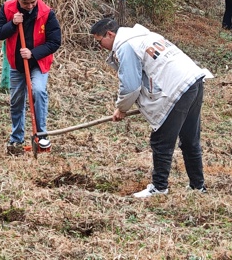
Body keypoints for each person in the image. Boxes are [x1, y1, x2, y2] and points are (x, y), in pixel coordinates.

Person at [90, 18, 212, 199]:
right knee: (189, 139)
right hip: (193, 80)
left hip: (175, 88)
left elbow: (131, 86)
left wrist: (121, 108)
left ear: (110, 34)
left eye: (100, 41)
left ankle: (159, 187)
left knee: (162, 140)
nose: (100, 46)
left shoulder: (125, 45)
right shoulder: (142, 34)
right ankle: (197, 187)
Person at [0, 0, 61, 155]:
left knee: (38, 91)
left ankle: (41, 135)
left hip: (38, 62)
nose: (30, 6)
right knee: (16, 100)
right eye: (25, 3)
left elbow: (54, 42)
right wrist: (13, 24)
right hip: (17, 64)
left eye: (33, 2)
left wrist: (33, 53)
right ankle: (17, 137)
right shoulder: (8, 8)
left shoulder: (47, 13)